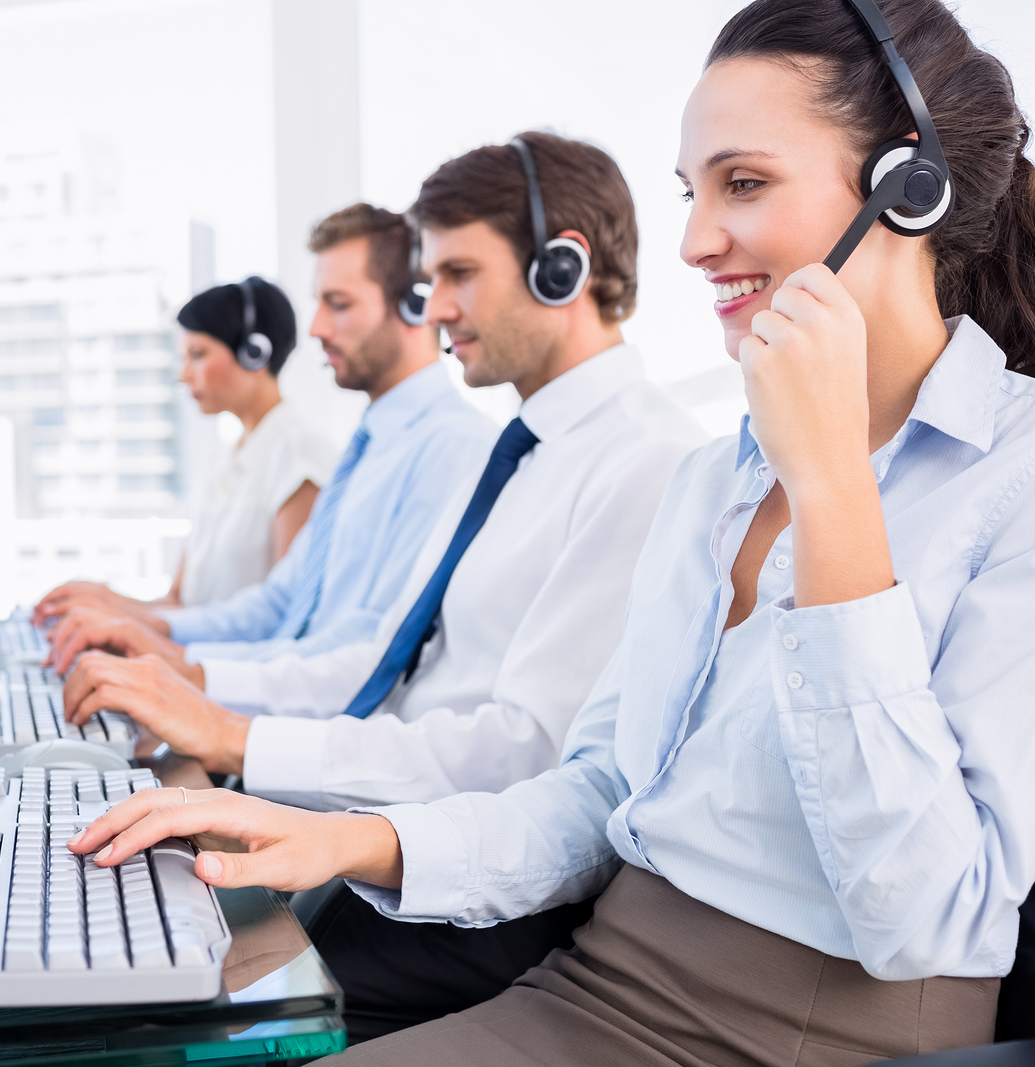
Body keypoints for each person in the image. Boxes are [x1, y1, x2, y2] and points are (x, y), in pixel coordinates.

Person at [66, 1, 1035, 1063]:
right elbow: (604, 792)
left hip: (814, 1036)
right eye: (691, 190)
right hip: (598, 978)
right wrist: (358, 840)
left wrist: (832, 481)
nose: (695, 240)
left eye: (742, 183)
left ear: (908, 187)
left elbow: (921, 913)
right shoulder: (714, 476)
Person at [52, 131, 708, 1038]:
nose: (433, 308)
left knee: (167, 1015)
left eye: (459, 274)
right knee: (119, 934)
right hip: (392, 826)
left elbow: (533, 754)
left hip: (473, 881)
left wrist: (236, 734)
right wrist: (216, 715)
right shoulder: (518, 450)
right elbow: (380, 660)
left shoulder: (646, 460)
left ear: (563, 268)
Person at [33, 204, 494, 660]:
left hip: (319, 719)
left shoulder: (451, 449)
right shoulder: (370, 447)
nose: (315, 328)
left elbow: (367, 654)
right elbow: (279, 604)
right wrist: (137, 628)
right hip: (276, 700)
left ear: (416, 306)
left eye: (338, 304)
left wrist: (188, 673)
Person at [165, 277, 334, 609]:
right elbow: (177, 602)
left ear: (254, 353)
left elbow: (287, 614)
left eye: (197, 354)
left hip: (223, 659)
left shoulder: (299, 452)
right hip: (188, 654)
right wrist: (97, 604)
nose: (183, 374)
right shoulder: (224, 458)